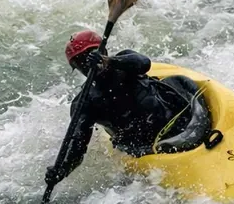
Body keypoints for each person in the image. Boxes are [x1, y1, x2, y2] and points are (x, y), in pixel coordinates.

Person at [44, 29, 211, 190]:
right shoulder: (84, 104)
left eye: (90, 55)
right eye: (80, 61)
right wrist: (61, 172)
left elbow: (144, 63)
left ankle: (195, 121)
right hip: (148, 146)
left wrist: (108, 61)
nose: (87, 63)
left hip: (176, 119)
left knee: (178, 81)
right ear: (76, 67)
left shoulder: (124, 62)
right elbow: (77, 149)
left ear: (103, 50)